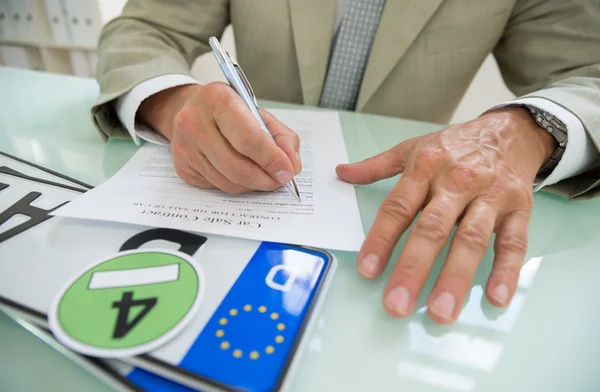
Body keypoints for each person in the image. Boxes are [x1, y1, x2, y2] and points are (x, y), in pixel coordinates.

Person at [91, 0, 600, 324]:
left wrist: (529, 128)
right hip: (236, 240)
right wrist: (171, 101)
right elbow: (143, 28)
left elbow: (590, 69)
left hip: (390, 225)